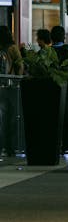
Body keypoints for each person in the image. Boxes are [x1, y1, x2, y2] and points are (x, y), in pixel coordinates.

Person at [0, 26, 24, 157]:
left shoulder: (2, 49)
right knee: (12, 118)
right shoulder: (13, 48)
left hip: (1, 85)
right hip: (11, 86)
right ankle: (10, 147)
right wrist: (17, 80)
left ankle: (3, 146)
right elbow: (20, 65)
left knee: (2, 118)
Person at [51, 25, 68, 154]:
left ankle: (54, 145)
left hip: (52, 87)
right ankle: (66, 145)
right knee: (67, 117)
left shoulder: (48, 51)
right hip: (67, 86)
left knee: (54, 116)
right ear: (64, 36)